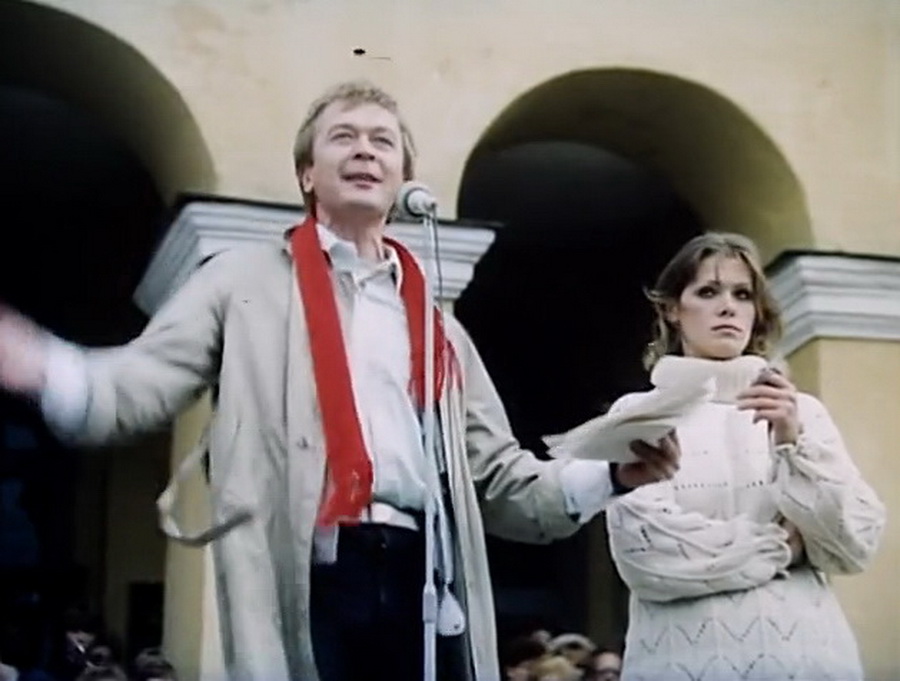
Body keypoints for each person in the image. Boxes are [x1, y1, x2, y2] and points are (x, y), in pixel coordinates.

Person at [0, 80, 679, 681]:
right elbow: (139, 384)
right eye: (343, 137)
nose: (364, 151)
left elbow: (500, 480)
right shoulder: (242, 282)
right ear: (307, 173)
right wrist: (44, 365)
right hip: (312, 566)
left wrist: (610, 476)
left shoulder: (438, 327)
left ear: (402, 176)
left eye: (382, 141)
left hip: (421, 571)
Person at [604, 232, 885, 680]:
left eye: (742, 294)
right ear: (672, 309)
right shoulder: (639, 414)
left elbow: (853, 545)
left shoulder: (802, 412)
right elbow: (648, 557)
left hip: (810, 659)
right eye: (708, 292)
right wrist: (783, 546)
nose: (728, 307)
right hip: (683, 662)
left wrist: (792, 443)